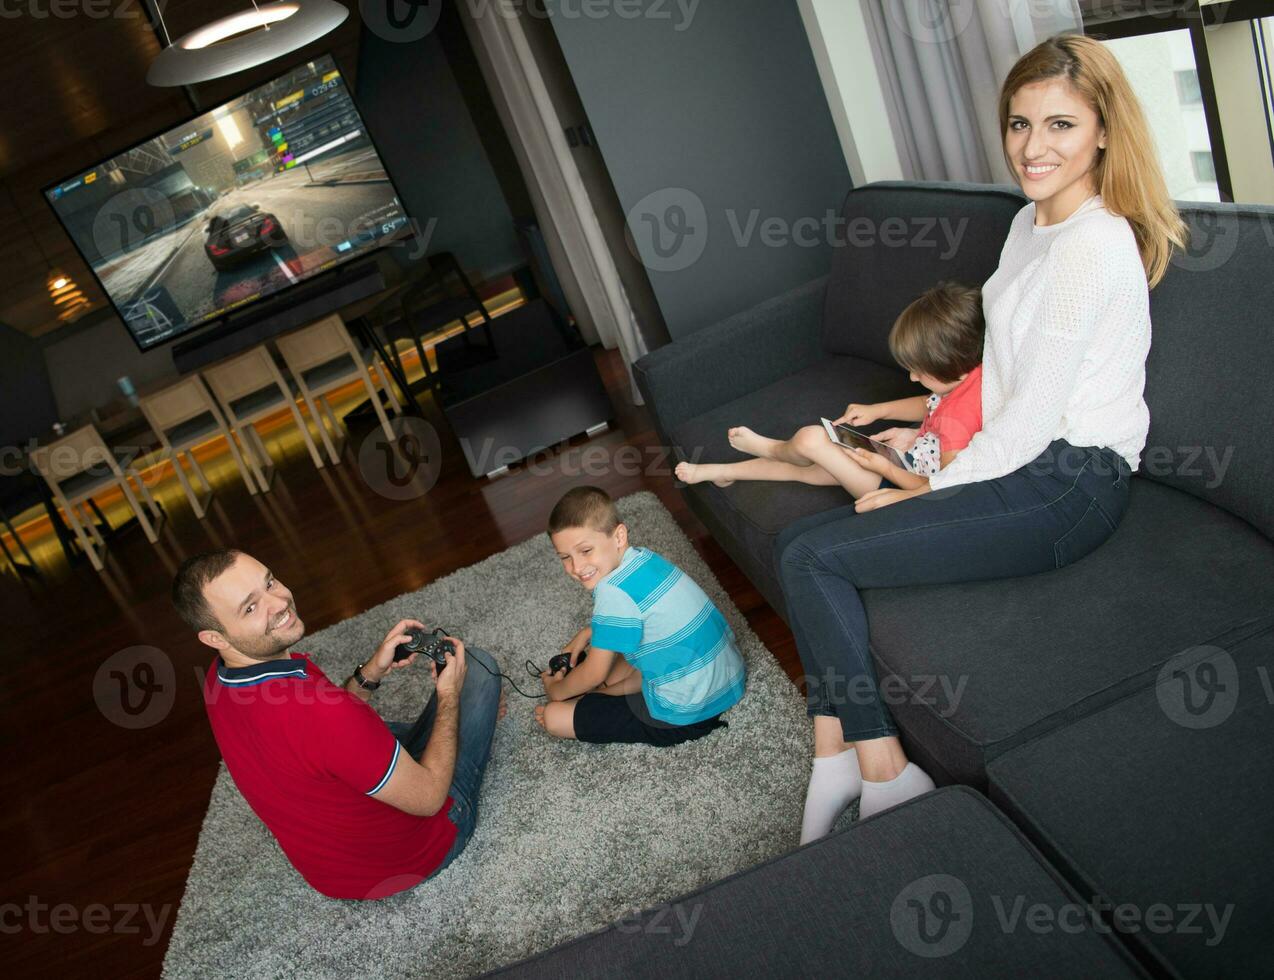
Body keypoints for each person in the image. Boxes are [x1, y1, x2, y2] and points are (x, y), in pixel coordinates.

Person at [779, 34, 1187, 844]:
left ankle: (880, 771)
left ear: (1104, 130)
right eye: (1019, 123)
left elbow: (1034, 414)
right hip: (1020, 463)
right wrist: (929, 452)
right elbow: (999, 379)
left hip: (1069, 485)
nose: (1033, 148)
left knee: (812, 555)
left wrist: (930, 485)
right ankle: (843, 755)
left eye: (1060, 126)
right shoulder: (1033, 225)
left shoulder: (1095, 246)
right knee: (804, 542)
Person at [172, 549, 506, 899]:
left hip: (331, 873)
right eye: (251, 607)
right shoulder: (324, 713)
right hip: (411, 858)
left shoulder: (219, 679)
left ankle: (402, 753)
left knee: (352, 733)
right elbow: (429, 799)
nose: (279, 603)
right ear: (215, 637)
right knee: (478, 670)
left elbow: (323, 732)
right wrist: (450, 696)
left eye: (269, 582)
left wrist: (371, 671)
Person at [674, 281, 985, 496]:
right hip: (900, 459)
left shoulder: (959, 417)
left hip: (894, 482)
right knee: (805, 471)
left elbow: (942, 486)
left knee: (811, 439)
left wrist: (884, 467)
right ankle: (721, 472)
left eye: (921, 372)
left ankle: (773, 447)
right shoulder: (968, 379)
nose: (914, 378)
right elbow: (930, 404)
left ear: (952, 363)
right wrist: (878, 410)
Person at [534, 486, 746, 746]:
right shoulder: (643, 559)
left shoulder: (611, 592)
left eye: (586, 551)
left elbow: (594, 673)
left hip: (686, 714)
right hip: (728, 680)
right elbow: (644, 612)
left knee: (556, 717)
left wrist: (556, 691)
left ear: (619, 536)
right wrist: (590, 631)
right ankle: (609, 694)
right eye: (565, 557)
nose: (576, 567)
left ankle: (595, 700)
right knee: (616, 671)